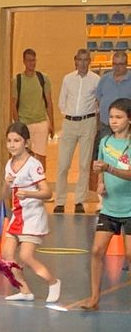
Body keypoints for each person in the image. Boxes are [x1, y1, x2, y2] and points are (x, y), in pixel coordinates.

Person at [75, 97, 131, 310]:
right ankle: (94, 298)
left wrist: (109, 170)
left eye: (119, 117)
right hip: (109, 208)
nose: (114, 121)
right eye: (111, 117)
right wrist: (100, 182)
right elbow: (99, 167)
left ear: (129, 119)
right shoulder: (105, 142)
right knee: (97, 250)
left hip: (129, 207)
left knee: (129, 254)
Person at [0, 121, 61, 304]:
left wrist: (29, 193)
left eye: (17, 140)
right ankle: (24, 289)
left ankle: (53, 282)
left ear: (26, 142)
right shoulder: (9, 165)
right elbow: (4, 195)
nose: (12, 144)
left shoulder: (33, 165)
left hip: (33, 218)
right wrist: (7, 183)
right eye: (9, 140)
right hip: (17, 216)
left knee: (26, 256)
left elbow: (48, 192)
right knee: (7, 254)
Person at [55, 48, 101, 213]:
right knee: (63, 164)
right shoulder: (67, 79)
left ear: (90, 61)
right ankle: (60, 201)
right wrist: (70, 115)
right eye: (80, 59)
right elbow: (62, 101)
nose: (82, 63)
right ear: (75, 60)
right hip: (69, 123)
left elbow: (98, 101)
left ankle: (79, 200)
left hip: (88, 122)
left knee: (83, 164)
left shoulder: (96, 80)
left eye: (86, 60)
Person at [11, 47, 54, 158]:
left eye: (34, 60)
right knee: (23, 156)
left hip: (41, 123)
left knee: (41, 156)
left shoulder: (43, 78)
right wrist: (18, 124)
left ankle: (40, 175)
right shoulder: (17, 80)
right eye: (29, 60)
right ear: (24, 62)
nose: (32, 63)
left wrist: (51, 124)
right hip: (25, 123)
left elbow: (49, 102)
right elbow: (13, 104)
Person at [98, 49, 131, 153]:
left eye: (120, 64)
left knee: (124, 156)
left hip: (127, 129)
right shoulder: (104, 79)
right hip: (106, 126)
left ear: (126, 64)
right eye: (114, 64)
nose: (117, 67)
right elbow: (99, 99)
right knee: (105, 155)